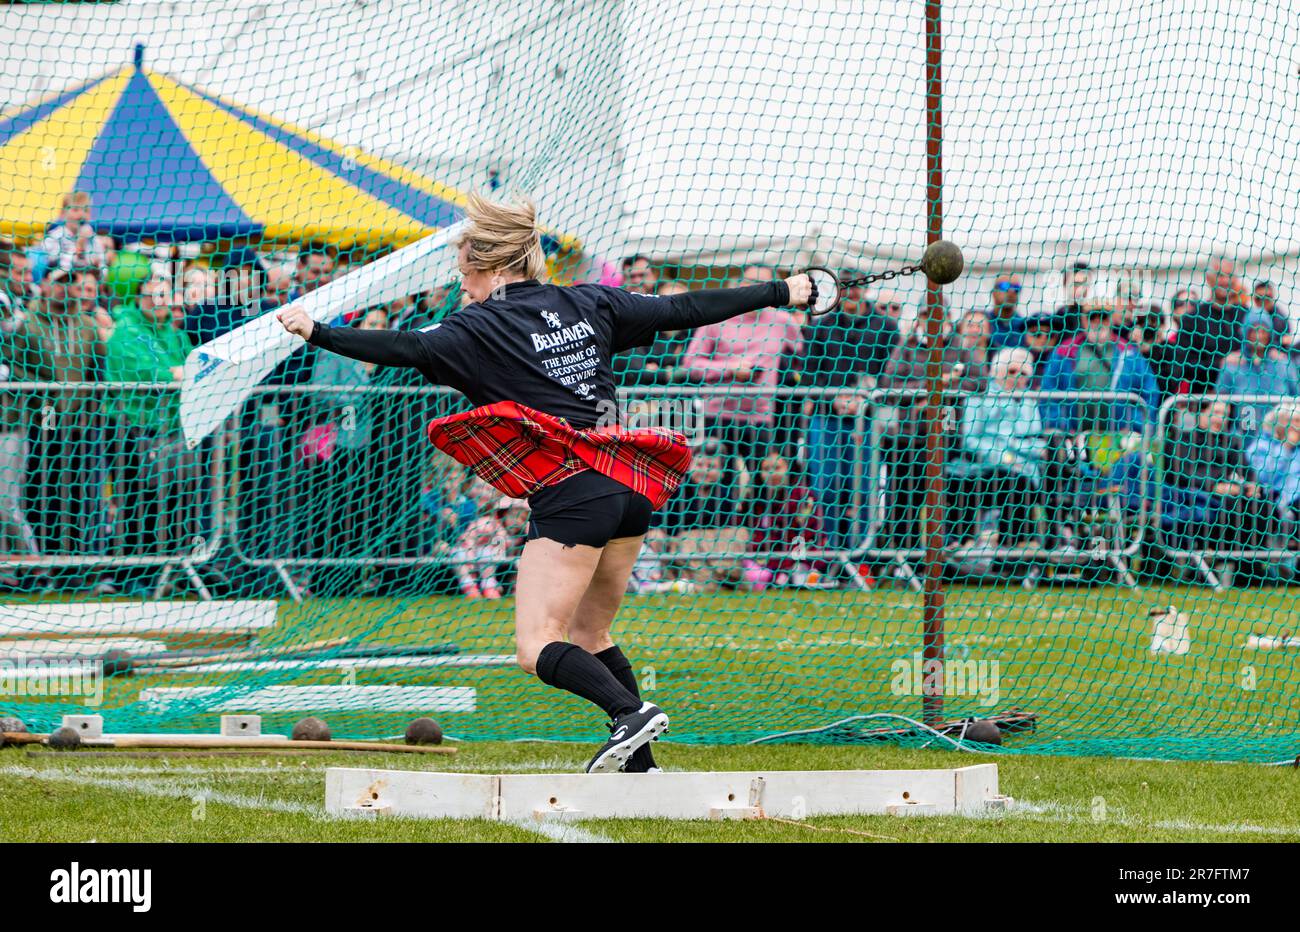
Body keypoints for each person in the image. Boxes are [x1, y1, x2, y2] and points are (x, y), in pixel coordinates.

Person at [278, 192, 815, 773]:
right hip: (629, 485)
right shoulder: (588, 300)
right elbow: (684, 308)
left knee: (537, 643)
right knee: (591, 632)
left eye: (464, 275)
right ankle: (642, 766)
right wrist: (785, 290)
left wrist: (317, 332)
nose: (461, 287)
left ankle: (628, 716)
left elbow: (403, 347)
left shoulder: (475, 326)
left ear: (490, 267)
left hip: (572, 490)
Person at [681, 265, 803, 471]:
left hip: (760, 418)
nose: (755, 288)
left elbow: (805, 357)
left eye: (762, 284)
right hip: (717, 416)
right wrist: (730, 369)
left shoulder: (783, 322)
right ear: (739, 285)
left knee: (760, 487)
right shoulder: (717, 317)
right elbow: (691, 363)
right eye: (749, 282)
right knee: (719, 485)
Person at [39, 192, 108, 274]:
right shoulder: (54, 238)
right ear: (63, 213)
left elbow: (103, 266)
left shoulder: (93, 239)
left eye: (86, 210)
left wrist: (98, 267)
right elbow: (57, 267)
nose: (82, 215)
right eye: (75, 210)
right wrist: (78, 246)